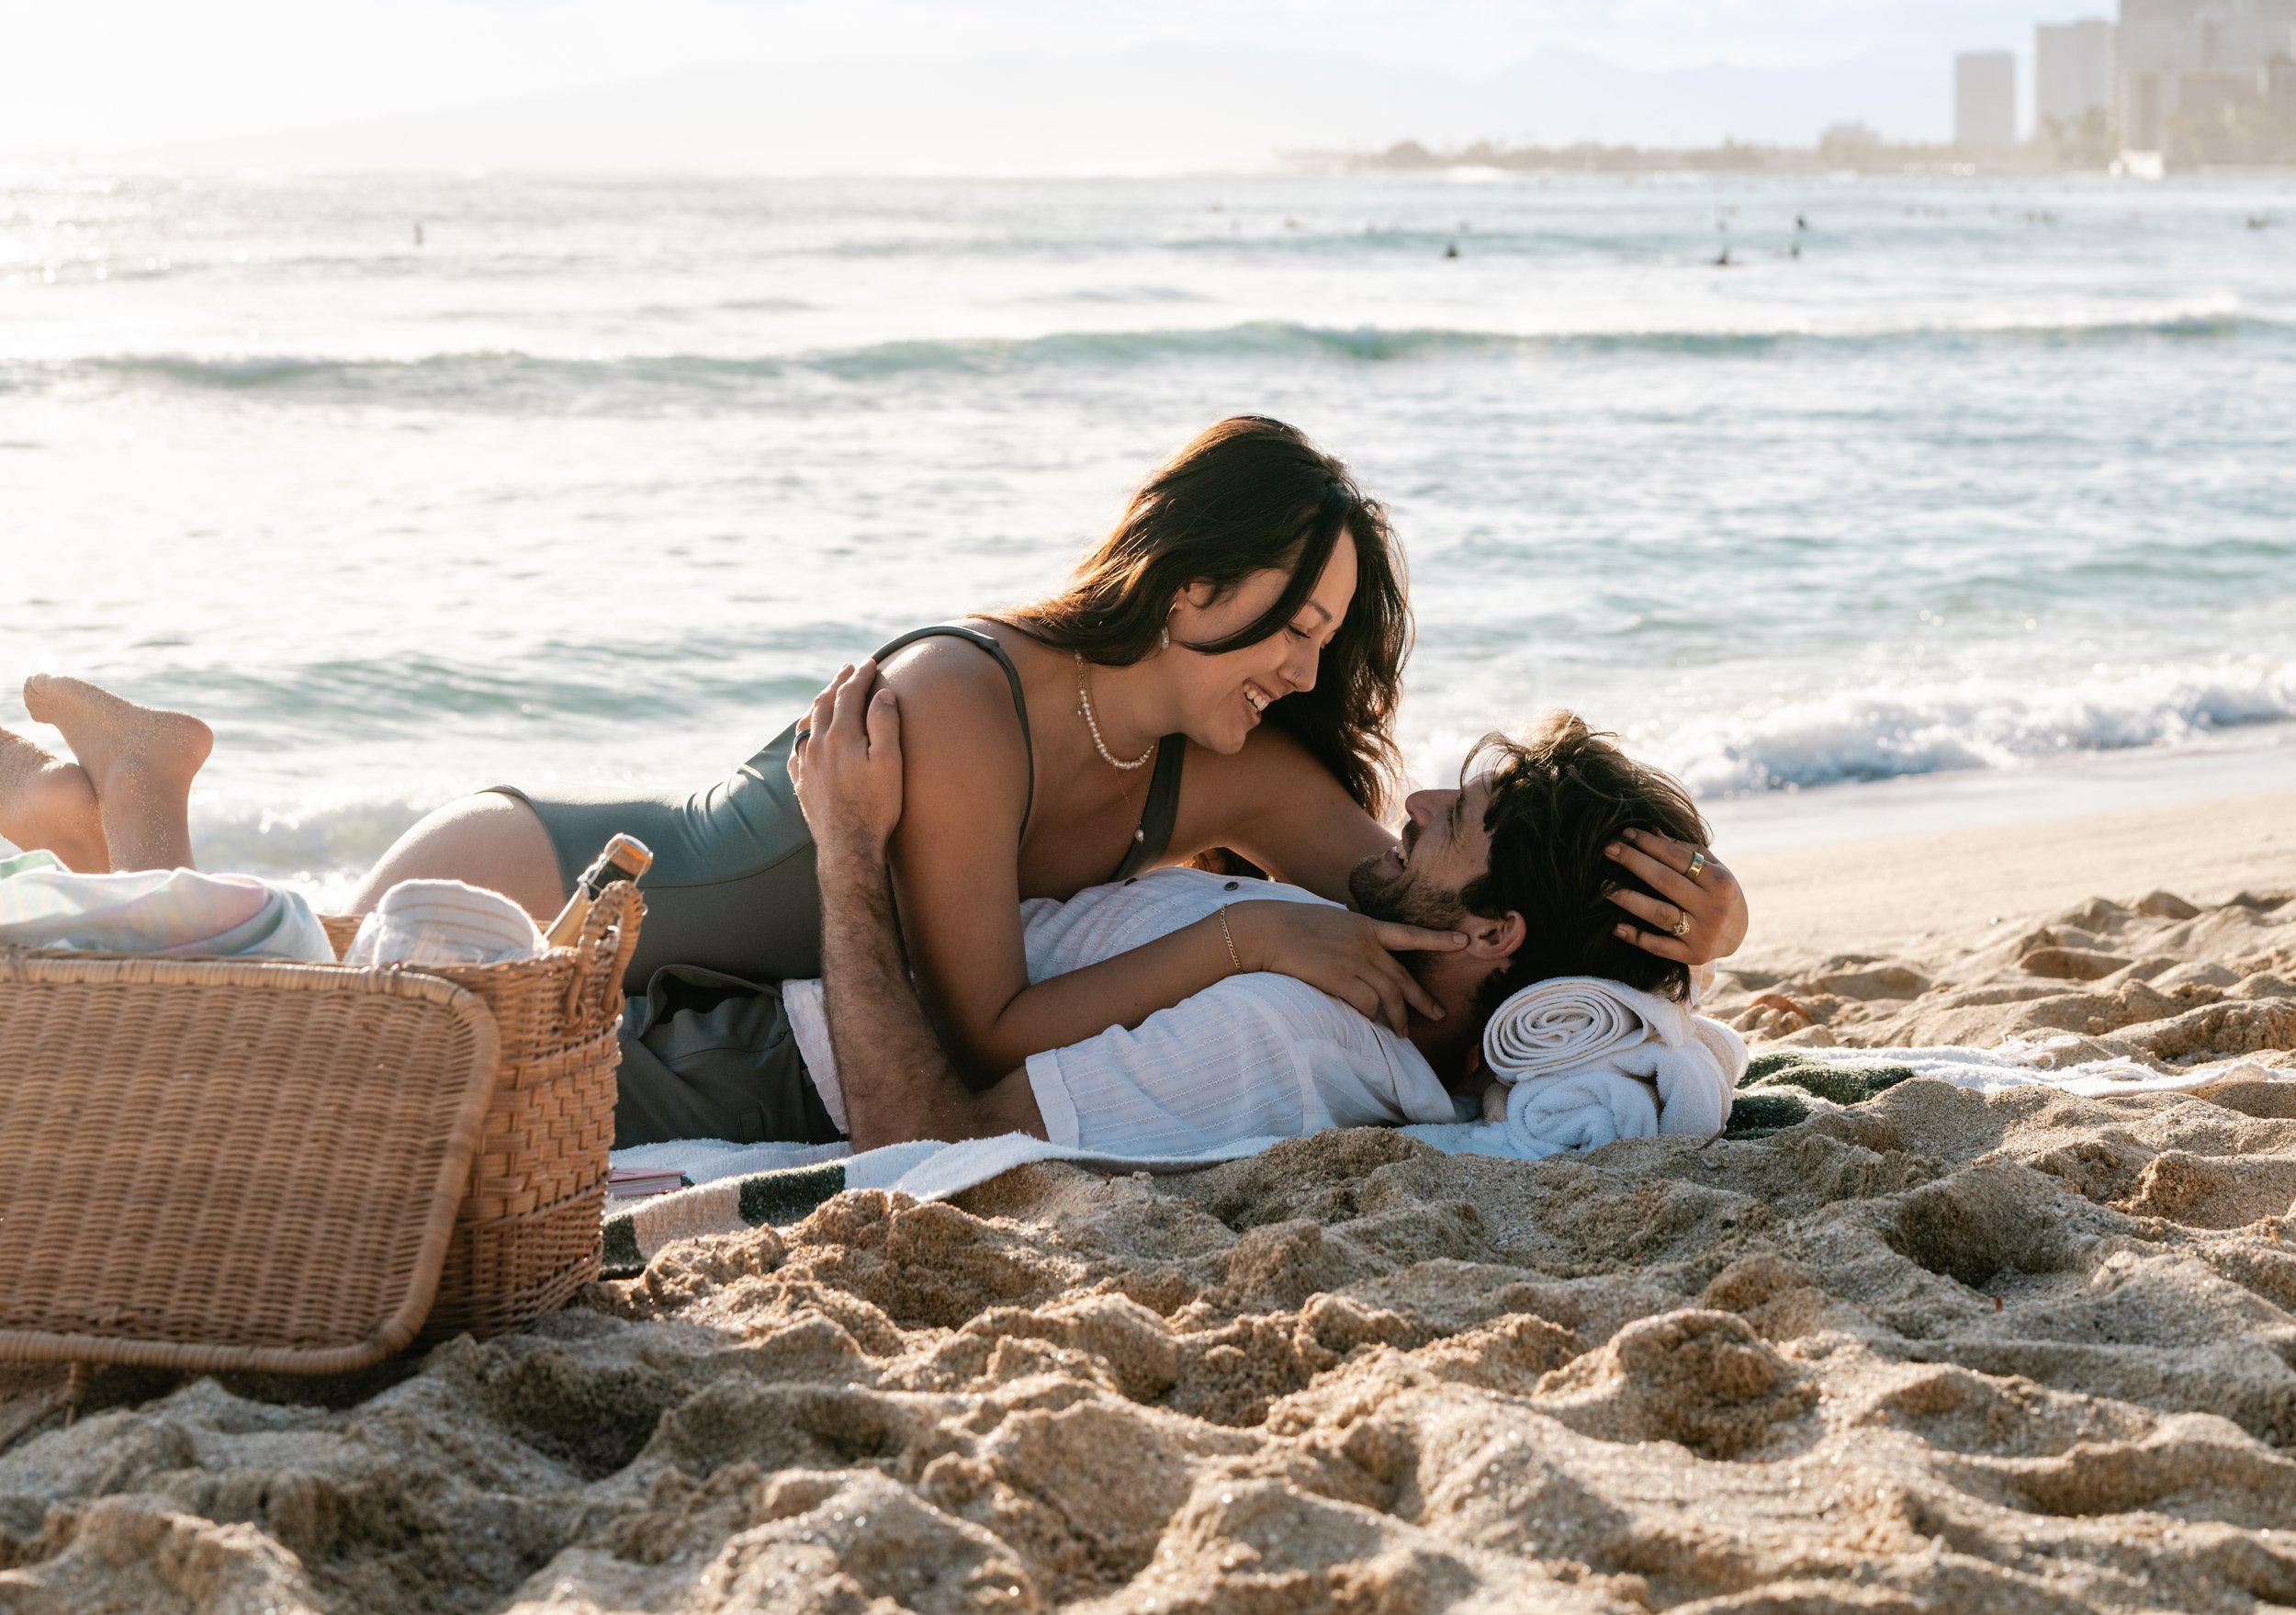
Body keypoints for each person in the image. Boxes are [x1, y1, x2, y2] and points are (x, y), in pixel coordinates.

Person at [0, 414, 1748, 1138]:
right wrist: (1245, 945)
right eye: (1289, 622)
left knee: (261, 1042)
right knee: (275, 1048)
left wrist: (1707, 918)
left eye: (1328, 636)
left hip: (696, 999)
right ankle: (133, 812)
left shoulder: (1242, 770)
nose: (1309, 669)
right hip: (565, 876)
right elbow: (981, 1022)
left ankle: (118, 817)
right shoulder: (970, 701)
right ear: (1184, 577)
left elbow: (1461, 915)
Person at [788, 659, 1729, 1157]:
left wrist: (849, 846)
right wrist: (1710, 938)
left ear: (1491, 933)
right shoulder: (1373, 965)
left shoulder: (1283, 1032)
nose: (1414, 805)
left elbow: (925, 1145)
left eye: (1457, 817)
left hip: (783, 1052)